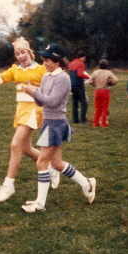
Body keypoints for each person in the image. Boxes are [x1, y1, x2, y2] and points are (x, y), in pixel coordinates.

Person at [0, 37, 60, 202]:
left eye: (23, 52)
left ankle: (8, 185)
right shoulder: (15, 70)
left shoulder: (42, 69)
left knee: (15, 145)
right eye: (17, 53)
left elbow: (57, 82)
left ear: (30, 52)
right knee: (26, 149)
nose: (21, 56)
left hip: (36, 110)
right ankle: (50, 165)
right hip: (21, 111)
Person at [20, 44, 96, 213]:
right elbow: (41, 102)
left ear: (57, 60)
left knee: (41, 162)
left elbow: (53, 102)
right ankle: (87, 183)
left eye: (47, 60)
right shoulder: (47, 77)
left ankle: (40, 204)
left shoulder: (63, 78)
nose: (44, 63)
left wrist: (34, 92)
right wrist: (32, 92)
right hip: (48, 122)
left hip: (56, 124)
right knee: (57, 163)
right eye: (44, 60)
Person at [85, 59, 118, 127]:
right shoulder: (108, 72)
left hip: (97, 91)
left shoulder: (95, 72)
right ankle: (103, 123)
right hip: (105, 90)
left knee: (97, 108)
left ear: (99, 65)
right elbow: (115, 80)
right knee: (105, 108)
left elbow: (90, 81)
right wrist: (110, 82)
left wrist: (95, 84)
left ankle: (95, 123)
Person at [68, 52, 90, 123]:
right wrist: (88, 77)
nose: (84, 59)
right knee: (84, 103)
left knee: (75, 103)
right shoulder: (80, 63)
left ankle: (75, 119)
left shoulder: (71, 63)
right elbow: (80, 74)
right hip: (79, 85)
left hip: (72, 85)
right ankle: (83, 119)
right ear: (81, 57)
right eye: (84, 58)